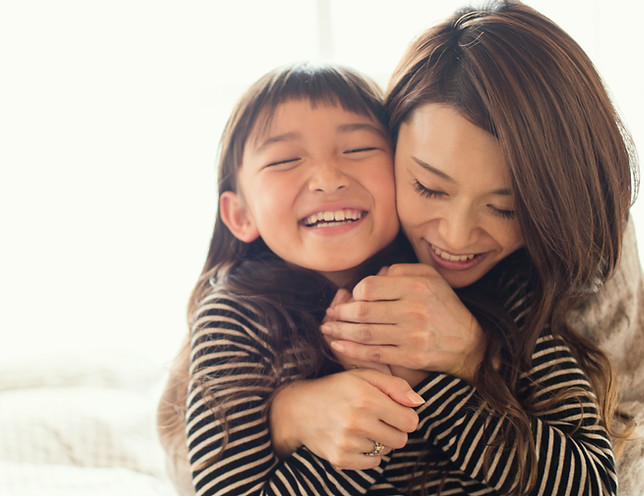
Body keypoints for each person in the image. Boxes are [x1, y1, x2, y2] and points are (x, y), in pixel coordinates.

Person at [159, 1, 639, 494]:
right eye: (429, 188)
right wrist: (317, 420)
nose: (454, 238)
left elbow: (593, 481)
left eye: (506, 208)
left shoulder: (516, 290)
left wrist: (455, 370)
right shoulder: (239, 317)